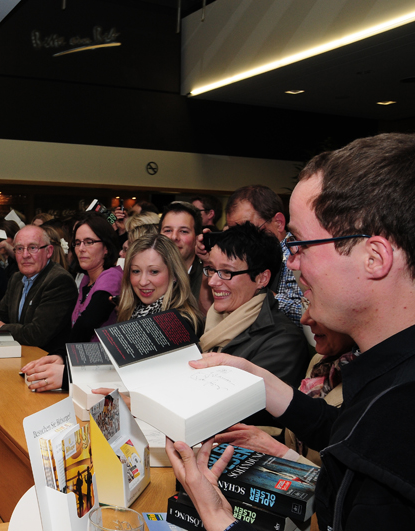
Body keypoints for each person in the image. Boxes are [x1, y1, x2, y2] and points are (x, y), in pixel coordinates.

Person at [168, 133, 415, 531]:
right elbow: (343, 429)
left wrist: (216, 515)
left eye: (300, 244)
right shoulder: (388, 378)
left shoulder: (398, 422)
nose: (292, 263)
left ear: (374, 258)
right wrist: (263, 382)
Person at [214, 306, 356, 467]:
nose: (305, 319)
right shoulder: (321, 362)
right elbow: (298, 440)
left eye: (322, 308)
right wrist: (257, 436)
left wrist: (281, 454)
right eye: (307, 304)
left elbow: (347, 483)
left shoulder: (376, 388)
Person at [198, 222, 308, 390]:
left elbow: (245, 409)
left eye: (227, 272)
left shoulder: (283, 342)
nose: (212, 281)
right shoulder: (208, 322)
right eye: (211, 269)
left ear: (261, 278)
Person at [21, 213, 122, 391]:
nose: (81, 248)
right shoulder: (85, 280)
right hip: (83, 366)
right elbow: (72, 329)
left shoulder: (112, 277)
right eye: (77, 242)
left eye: (89, 242)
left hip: (100, 375)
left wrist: (64, 359)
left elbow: (85, 325)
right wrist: (59, 356)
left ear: (106, 247)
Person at [0, 225, 77, 363]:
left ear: (49, 251)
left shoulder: (59, 281)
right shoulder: (17, 278)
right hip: (17, 355)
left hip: (44, 362)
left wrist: (2, 328)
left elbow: (37, 334)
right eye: (19, 249)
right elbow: (0, 312)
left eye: (32, 248)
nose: (25, 255)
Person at [224, 185, 304, 327]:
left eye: (250, 230)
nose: (242, 241)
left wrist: (264, 296)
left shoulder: (299, 256)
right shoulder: (244, 258)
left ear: (278, 223)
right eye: (235, 233)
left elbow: (308, 315)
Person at [116, 233, 202, 331]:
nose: (143, 282)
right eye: (136, 271)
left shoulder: (181, 322)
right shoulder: (130, 313)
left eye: (154, 272)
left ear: (174, 274)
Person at [160, 201, 204, 302]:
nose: (174, 237)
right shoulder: (149, 275)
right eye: (168, 230)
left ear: (197, 238)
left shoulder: (207, 279)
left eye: (184, 231)